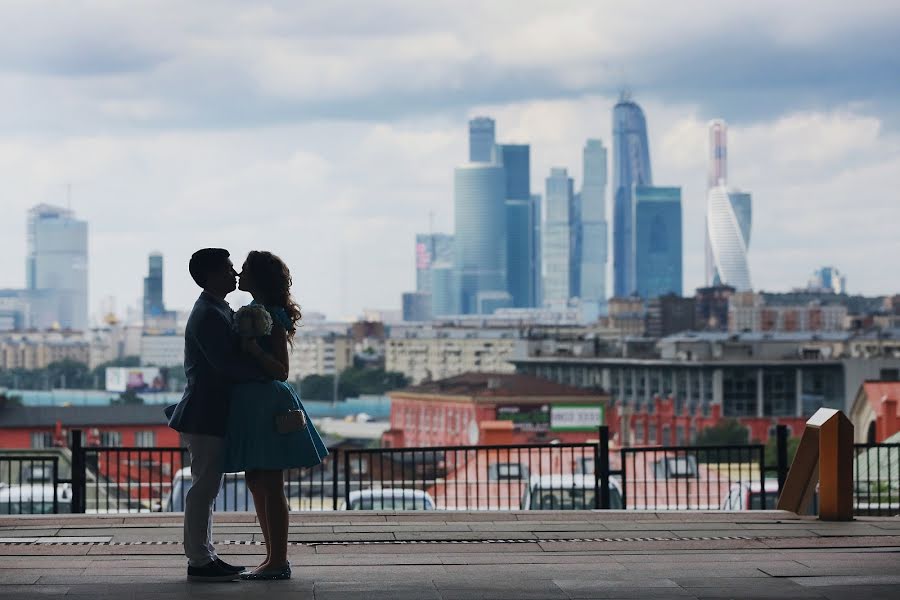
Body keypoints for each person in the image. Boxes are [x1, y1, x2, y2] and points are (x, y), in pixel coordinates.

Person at [223, 250, 328, 581]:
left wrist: (253, 349)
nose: (239, 273)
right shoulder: (259, 312)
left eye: (245, 269)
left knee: (269, 483)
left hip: (266, 404)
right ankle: (272, 558)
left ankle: (278, 560)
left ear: (258, 278)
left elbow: (281, 371)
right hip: (254, 404)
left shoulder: (269, 317)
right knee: (257, 481)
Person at [165, 248, 269, 583]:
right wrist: (264, 370)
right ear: (210, 275)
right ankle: (198, 559)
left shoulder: (215, 309)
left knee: (208, 487)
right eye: (227, 268)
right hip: (205, 412)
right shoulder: (210, 314)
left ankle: (205, 555)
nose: (235, 272)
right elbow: (225, 365)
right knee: (204, 488)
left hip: (208, 411)